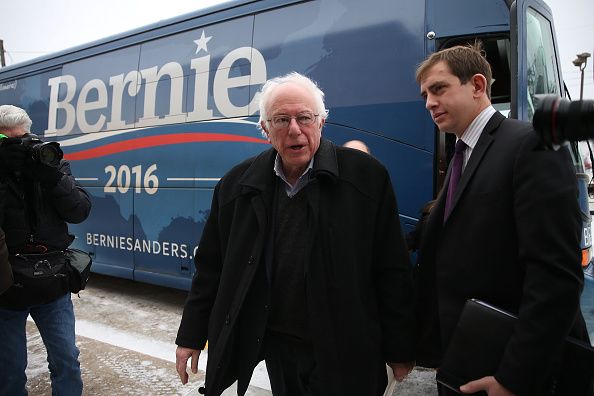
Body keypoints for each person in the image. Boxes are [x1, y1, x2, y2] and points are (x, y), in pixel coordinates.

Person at [175, 72, 415, 396]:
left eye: (304, 117)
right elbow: (210, 268)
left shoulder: (366, 179)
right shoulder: (237, 186)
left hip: (347, 348)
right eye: (281, 119)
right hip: (279, 348)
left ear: (321, 122)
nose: (294, 130)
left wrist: (400, 348)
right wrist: (190, 335)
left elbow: (392, 270)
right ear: (265, 129)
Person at [414, 44, 590, 395]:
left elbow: (555, 275)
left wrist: (514, 377)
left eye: (438, 89)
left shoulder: (529, 145)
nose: (429, 103)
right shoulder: (464, 152)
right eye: (425, 95)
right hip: (471, 353)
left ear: (477, 85)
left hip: (513, 370)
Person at [0, 105, 91, 395]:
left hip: (52, 280)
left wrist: (50, 177)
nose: (18, 146)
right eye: (7, 141)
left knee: (66, 360)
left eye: (23, 138)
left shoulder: (49, 163)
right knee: (10, 369)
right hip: (5, 284)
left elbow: (79, 210)